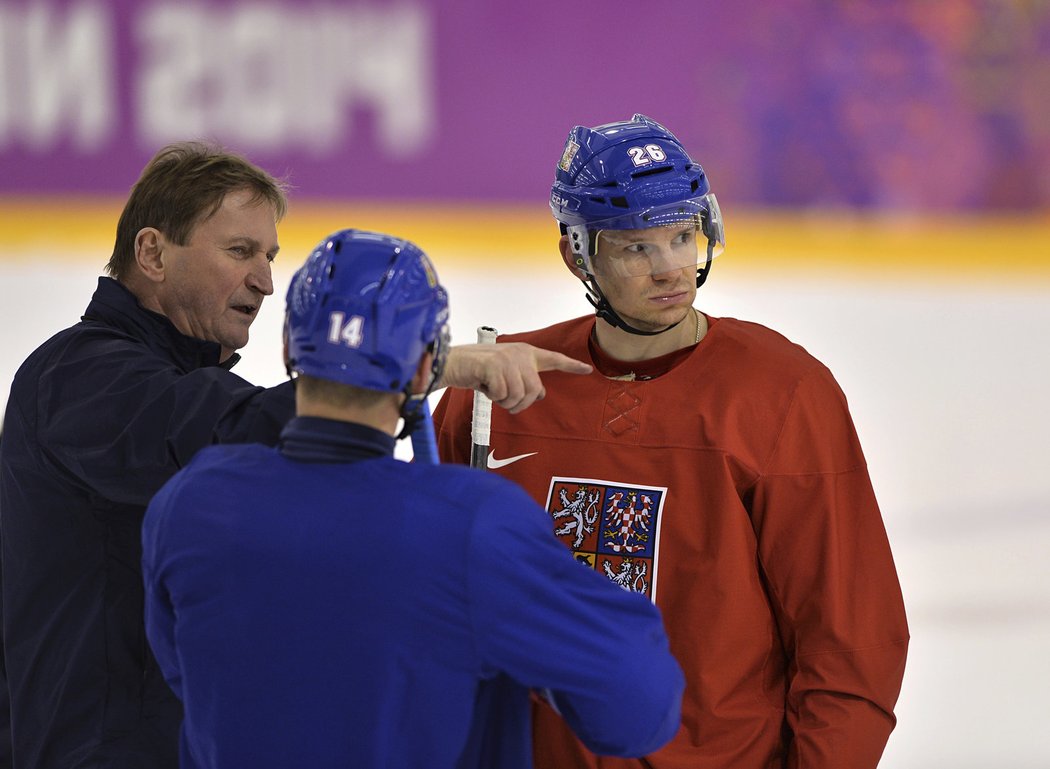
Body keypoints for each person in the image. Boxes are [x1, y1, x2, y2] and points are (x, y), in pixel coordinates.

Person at [0, 142, 590, 769]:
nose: (265, 279)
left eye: (270, 256)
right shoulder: (82, 374)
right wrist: (425, 366)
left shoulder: (159, 374)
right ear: (152, 253)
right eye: (239, 251)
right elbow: (234, 434)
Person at [433, 114, 910, 768]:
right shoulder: (491, 393)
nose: (671, 269)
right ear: (579, 253)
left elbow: (849, 641)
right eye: (636, 247)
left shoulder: (784, 396)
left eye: (683, 236)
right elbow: (427, 614)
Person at [140, 228, 685, 769]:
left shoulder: (190, 500)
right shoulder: (472, 526)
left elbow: (186, 675)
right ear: (428, 367)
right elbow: (637, 712)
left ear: (288, 349)